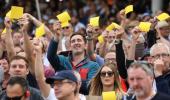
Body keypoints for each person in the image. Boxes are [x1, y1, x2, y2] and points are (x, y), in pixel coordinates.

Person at [47, 29, 100, 94]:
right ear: (70, 46)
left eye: (79, 40)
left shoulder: (93, 65)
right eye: (73, 41)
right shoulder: (62, 60)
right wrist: (56, 36)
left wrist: (69, 79)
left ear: (85, 45)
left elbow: (90, 86)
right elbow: (50, 56)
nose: (76, 42)